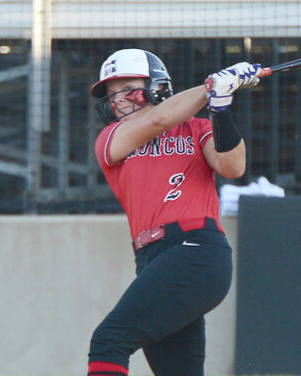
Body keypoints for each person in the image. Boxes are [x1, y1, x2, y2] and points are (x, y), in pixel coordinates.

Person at [86, 48, 262, 376]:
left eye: (128, 88)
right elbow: (159, 118)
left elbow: (233, 166)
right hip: (153, 259)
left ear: (156, 86)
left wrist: (220, 108)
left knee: (109, 340)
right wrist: (212, 85)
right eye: (112, 94)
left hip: (196, 250)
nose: (118, 100)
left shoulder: (196, 128)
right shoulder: (111, 138)